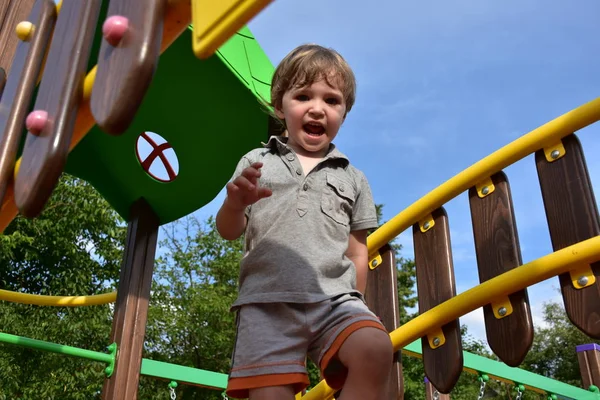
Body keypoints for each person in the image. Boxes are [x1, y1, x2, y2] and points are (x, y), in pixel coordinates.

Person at [216, 44, 393, 400]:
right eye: (303, 96)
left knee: (374, 347)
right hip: (267, 303)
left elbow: (358, 250)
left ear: (344, 113)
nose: (317, 108)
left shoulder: (354, 178)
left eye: (332, 100)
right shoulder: (257, 161)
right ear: (280, 106)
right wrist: (235, 204)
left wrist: (358, 298)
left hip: (336, 300)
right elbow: (228, 230)